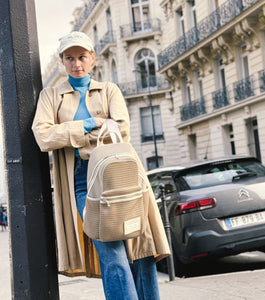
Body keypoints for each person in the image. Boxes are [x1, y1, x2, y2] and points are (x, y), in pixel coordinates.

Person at [32, 31, 170, 299]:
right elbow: (43, 136)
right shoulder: (51, 96)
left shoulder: (109, 90)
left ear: (92, 58)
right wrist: (89, 124)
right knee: (111, 250)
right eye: (69, 58)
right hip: (83, 181)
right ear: (62, 61)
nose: (76, 64)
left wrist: (69, 136)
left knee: (141, 248)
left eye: (82, 56)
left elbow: (122, 130)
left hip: (122, 175)